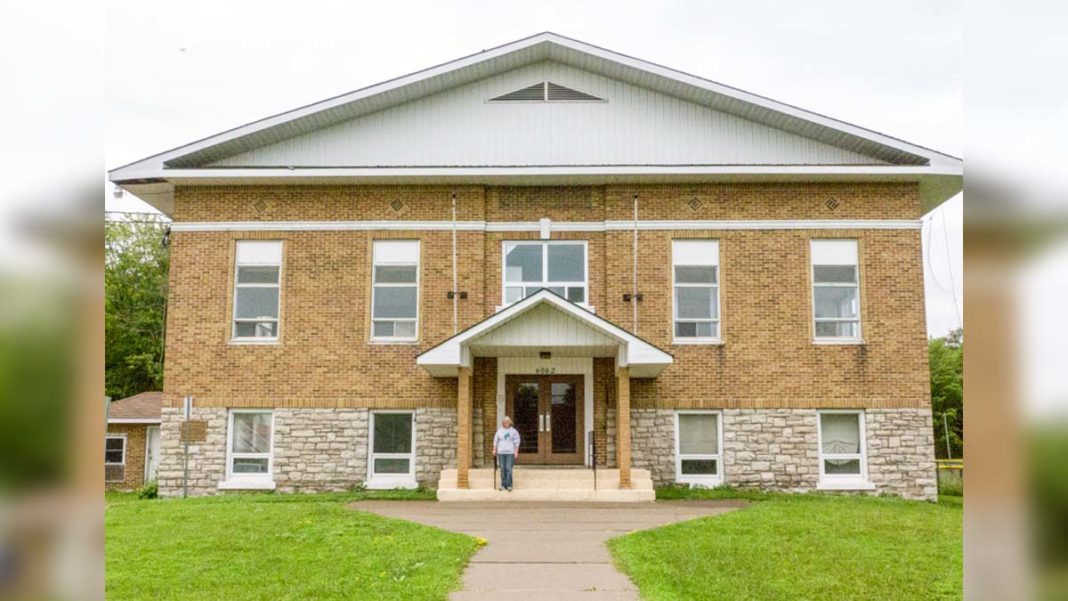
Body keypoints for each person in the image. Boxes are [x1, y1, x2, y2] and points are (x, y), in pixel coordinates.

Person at [492, 416, 520, 491]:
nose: (506, 423)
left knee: (508, 468)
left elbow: (517, 442)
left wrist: (516, 451)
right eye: (505, 422)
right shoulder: (499, 431)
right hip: (501, 452)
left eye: (507, 421)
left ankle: (509, 485)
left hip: (510, 452)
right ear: (503, 423)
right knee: (502, 469)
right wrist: (494, 449)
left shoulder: (513, 431)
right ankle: (503, 484)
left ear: (510, 422)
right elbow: (496, 440)